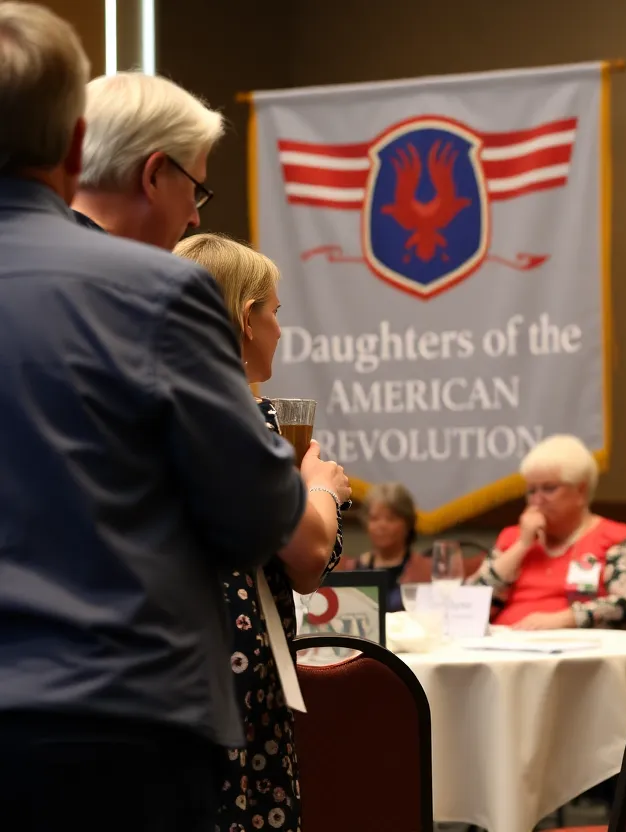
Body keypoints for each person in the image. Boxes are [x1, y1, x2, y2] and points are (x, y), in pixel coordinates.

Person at [0, 6, 336, 830]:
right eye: (195, 186)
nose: (195, 216)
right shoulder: (154, 295)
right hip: (112, 725)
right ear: (76, 147)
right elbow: (262, 516)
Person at [174, 233, 351, 832]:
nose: (279, 329)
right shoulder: (251, 421)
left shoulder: (147, 402)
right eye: (275, 313)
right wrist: (323, 487)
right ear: (247, 320)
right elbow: (307, 557)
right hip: (235, 657)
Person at [467, 434, 626, 629]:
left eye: (549, 489)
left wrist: (565, 619)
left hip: (578, 649)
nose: (537, 500)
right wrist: (522, 546)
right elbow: (468, 605)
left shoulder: (611, 538)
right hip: (505, 646)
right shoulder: (512, 538)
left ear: (581, 491)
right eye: (532, 491)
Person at [71, 72, 221, 249]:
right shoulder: (168, 276)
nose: (194, 219)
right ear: (154, 176)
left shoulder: (32, 252)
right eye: (195, 190)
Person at [348, 481, 430, 611]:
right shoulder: (351, 569)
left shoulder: (426, 571)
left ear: (408, 523)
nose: (382, 526)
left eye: (390, 519)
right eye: (374, 519)